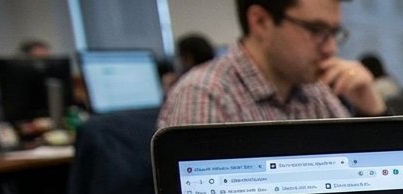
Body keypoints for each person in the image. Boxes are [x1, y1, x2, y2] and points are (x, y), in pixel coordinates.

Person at [158, 0, 386, 128]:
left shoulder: (313, 90)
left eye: (333, 33)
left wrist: (373, 110)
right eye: (316, 31)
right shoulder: (205, 95)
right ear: (260, 21)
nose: (331, 49)